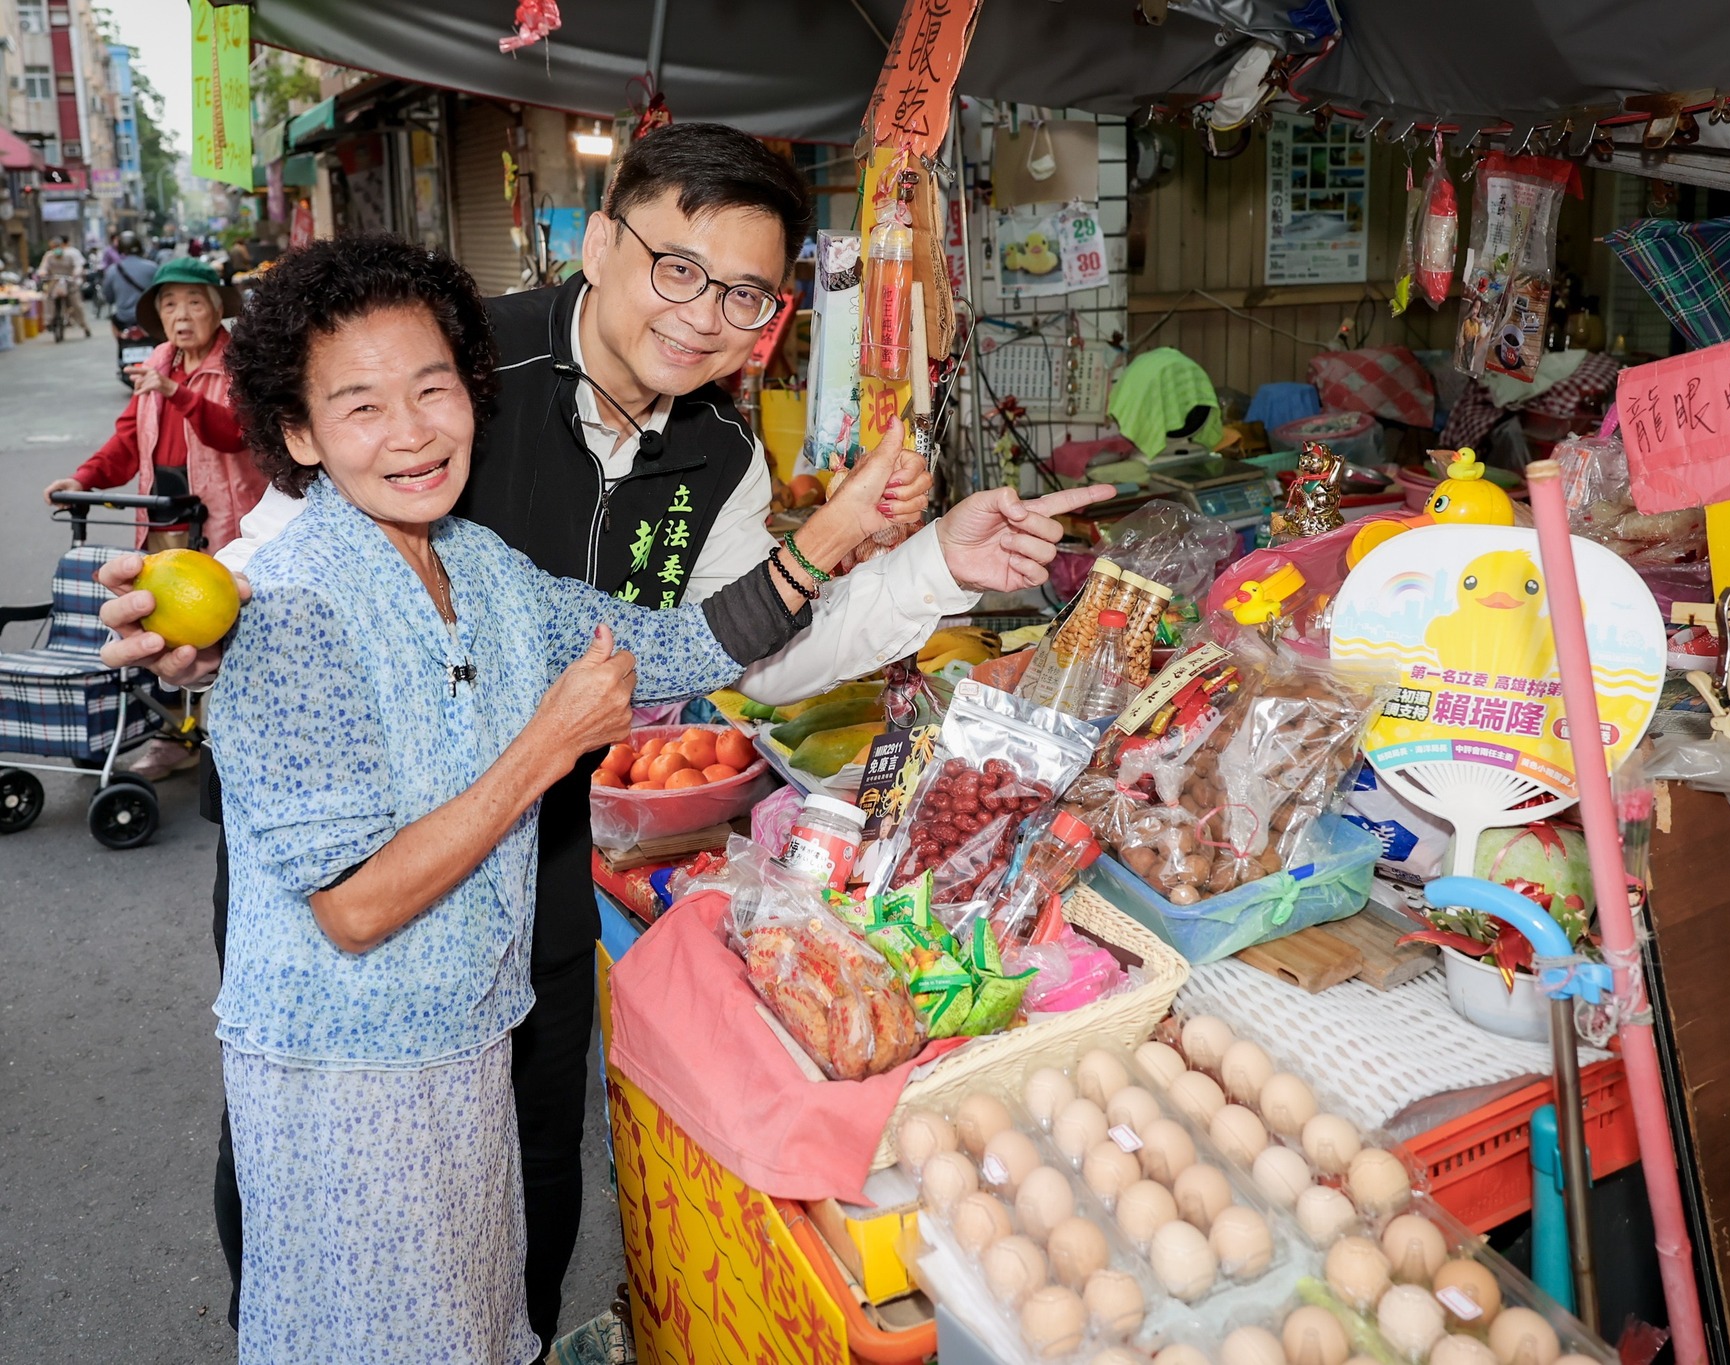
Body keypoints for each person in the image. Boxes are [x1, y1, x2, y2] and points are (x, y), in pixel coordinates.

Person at [96, 121, 1110, 1343]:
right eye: (677, 267)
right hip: (351, 929)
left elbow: (713, 645)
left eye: (742, 293)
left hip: (526, 878)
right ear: (601, 238)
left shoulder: (685, 464)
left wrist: (914, 558)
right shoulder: (452, 356)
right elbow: (280, 562)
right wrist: (207, 627)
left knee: (518, 1180)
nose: (701, 315)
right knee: (326, 1250)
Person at [211, 233, 915, 1362]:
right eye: (361, 407)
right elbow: (352, 904)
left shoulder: (478, 564)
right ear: (300, 435)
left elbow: (673, 645)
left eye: (433, 388)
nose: (411, 432)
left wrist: (841, 529)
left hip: (464, 1039)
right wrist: (548, 745)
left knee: (470, 1324)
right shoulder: (291, 608)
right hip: (348, 1080)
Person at [47, 257, 267, 780]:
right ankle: (176, 736)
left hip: (222, 524)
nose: (181, 315)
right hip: (163, 523)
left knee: (225, 634)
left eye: (194, 302)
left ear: (215, 309)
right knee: (167, 634)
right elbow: (129, 438)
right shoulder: (159, 362)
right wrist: (83, 479)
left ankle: (235, 745)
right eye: (170, 305)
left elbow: (234, 432)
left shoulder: (239, 364)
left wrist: (176, 393)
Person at [37, 233, 89, 338]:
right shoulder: (48, 256)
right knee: (47, 298)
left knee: (76, 304)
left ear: (62, 246)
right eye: (53, 247)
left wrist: (76, 273)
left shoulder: (70, 255)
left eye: (57, 246)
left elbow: (78, 266)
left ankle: (84, 326)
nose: (55, 249)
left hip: (69, 282)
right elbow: (43, 268)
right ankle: (49, 321)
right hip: (54, 283)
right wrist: (42, 273)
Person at [102, 231, 156, 331]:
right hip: (149, 317)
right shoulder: (152, 267)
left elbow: (109, 297)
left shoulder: (112, 270)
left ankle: (121, 339)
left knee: (114, 321)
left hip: (124, 318)